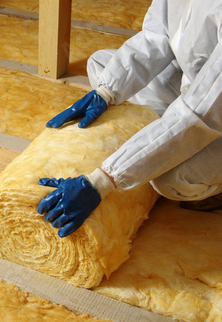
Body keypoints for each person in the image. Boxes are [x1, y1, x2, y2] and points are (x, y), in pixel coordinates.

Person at [37, 0, 222, 237]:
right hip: (196, 85)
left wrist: (103, 181)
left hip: (211, 112)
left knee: (172, 180)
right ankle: (161, 138)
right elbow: (156, 38)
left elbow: (197, 115)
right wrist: (106, 92)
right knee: (101, 64)